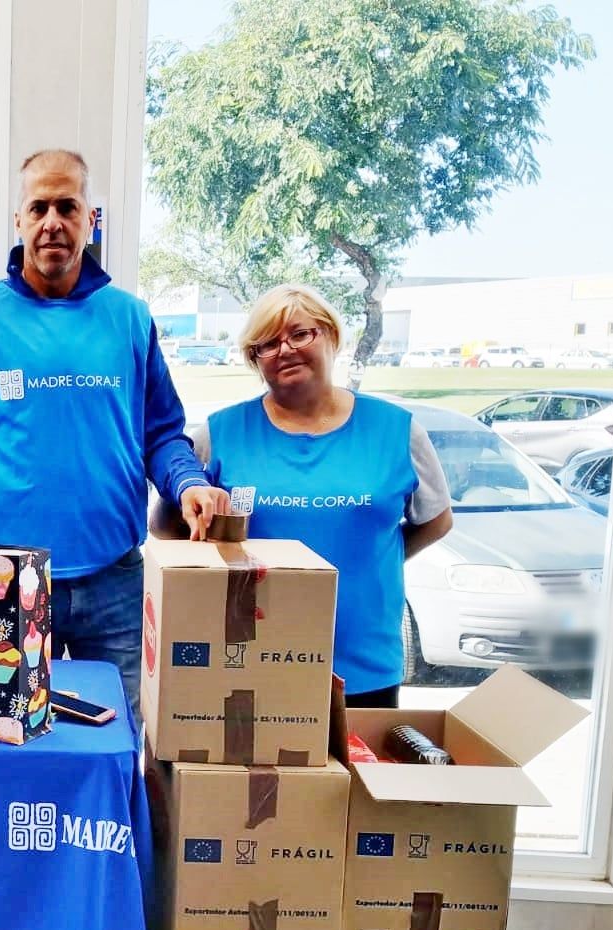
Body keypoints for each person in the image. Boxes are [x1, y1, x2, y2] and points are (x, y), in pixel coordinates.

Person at [0, 148, 227, 725]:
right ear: (18, 221)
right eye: (38, 207)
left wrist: (188, 481)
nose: (52, 222)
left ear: (90, 220)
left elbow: (163, 432)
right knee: (2, 745)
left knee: (117, 746)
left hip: (113, 585)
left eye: (67, 207)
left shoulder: (130, 318)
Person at [192, 284, 454, 707]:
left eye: (300, 334)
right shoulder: (220, 433)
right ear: (254, 359)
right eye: (268, 343)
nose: (285, 350)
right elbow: (168, 527)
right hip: (249, 658)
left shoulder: (396, 430)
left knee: (358, 774)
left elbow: (437, 520)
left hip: (362, 663)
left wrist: (373, 556)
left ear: (330, 336)